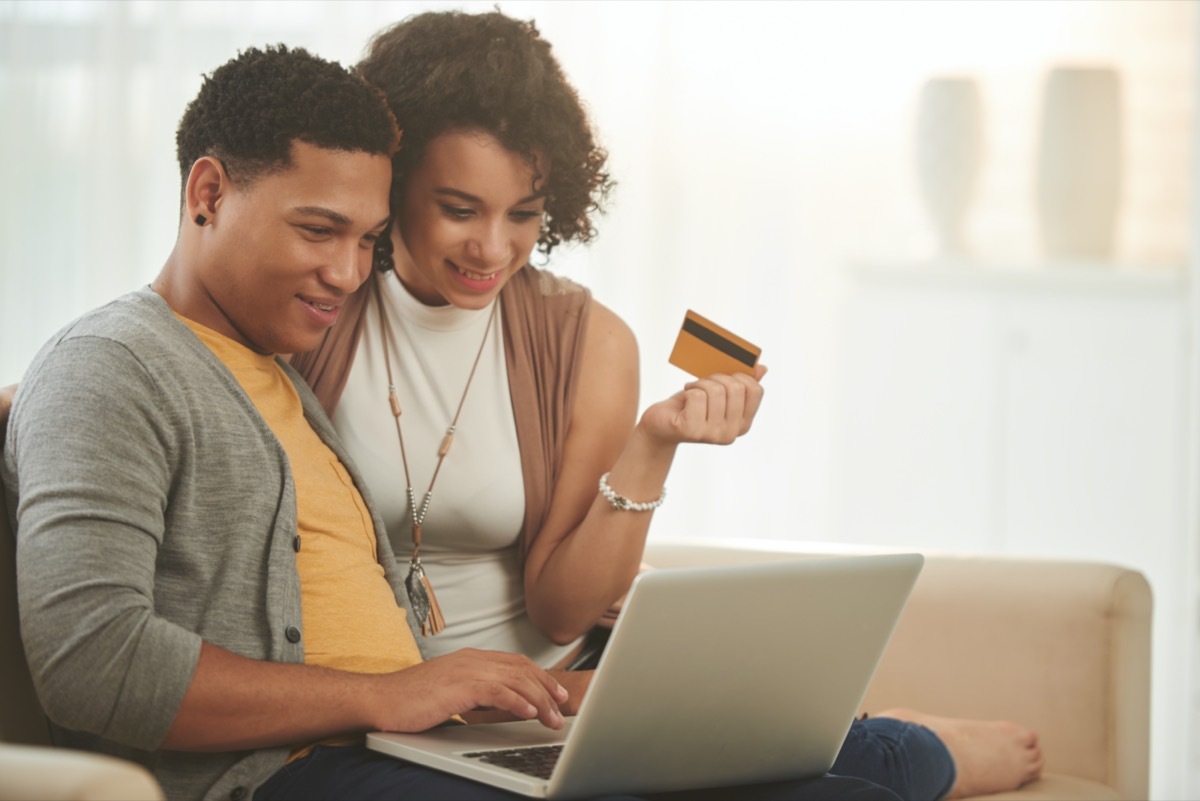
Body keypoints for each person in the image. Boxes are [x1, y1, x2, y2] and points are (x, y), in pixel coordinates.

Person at [0, 43, 904, 801]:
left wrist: (442, 696)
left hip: (408, 739)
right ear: (206, 194)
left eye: (365, 238)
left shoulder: (273, 371)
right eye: (319, 231)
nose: (351, 273)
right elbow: (94, 663)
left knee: (835, 778)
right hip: (291, 771)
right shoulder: (113, 364)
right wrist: (389, 694)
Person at [291, 10, 1045, 801]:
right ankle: (876, 738)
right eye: (459, 208)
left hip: (558, 690)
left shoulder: (586, 339)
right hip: (396, 710)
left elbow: (560, 612)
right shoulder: (316, 313)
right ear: (395, 180)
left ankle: (909, 742)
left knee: (855, 777)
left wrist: (653, 443)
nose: (493, 249)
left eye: (523, 213)